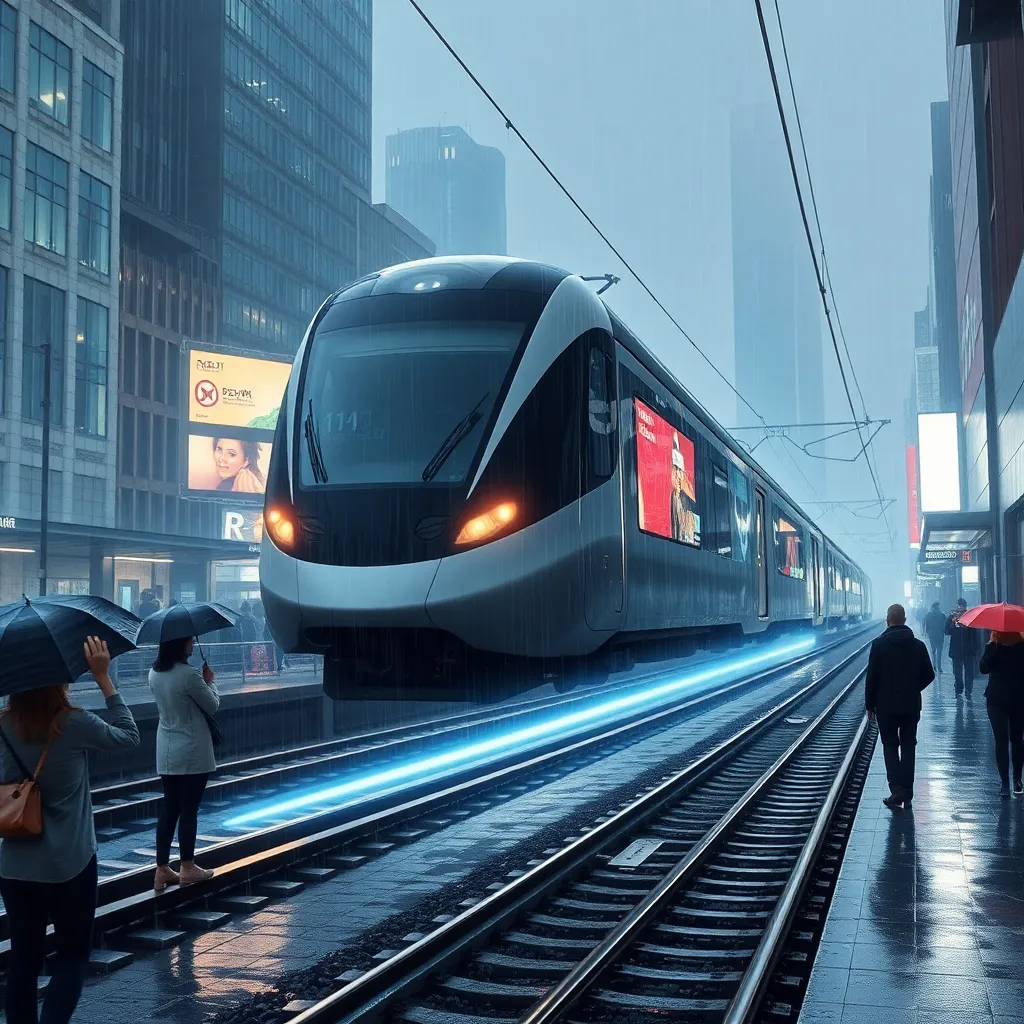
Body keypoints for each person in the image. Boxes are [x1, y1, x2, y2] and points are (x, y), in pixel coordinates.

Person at [0, 637, 140, 1024]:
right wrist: (104, 679)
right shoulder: (73, 723)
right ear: (57, 679)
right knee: (72, 957)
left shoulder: (2, 727)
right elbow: (129, 736)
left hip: (14, 866)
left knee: (23, 962)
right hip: (71, 863)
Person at [148, 636, 219, 889]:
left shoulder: (154, 674)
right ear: (180, 645)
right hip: (192, 750)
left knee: (170, 807)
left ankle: (162, 869)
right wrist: (211, 682)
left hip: (166, 749)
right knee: (189, 808)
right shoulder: (190, 675)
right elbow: (212, 706)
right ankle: (188, 866)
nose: (192, 644)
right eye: (189, 641)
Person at [865, 603, 935, 811]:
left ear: (888, 620)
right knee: (908, 745)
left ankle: (896, 790)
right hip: (910, 705)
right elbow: (929, 675)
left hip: (885, 707)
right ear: (905, 620)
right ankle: (908, 791)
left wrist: (870, 705)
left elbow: (872, 678)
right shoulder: (918, 646)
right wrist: (914, 688)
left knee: (889, 745)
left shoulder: (878, 645)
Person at [979, 630, 1024, 797]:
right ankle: (1017, 781)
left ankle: (1005, 783)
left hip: (996, 698)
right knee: (1017, 739)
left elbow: (983, 668)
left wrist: (990, 647)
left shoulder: (994, 647)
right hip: (1019, 698)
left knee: (1001, 740)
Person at [945, 599, 979, 697]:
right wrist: (953, 623)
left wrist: (975, 648)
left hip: (968, 650)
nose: (961, 609)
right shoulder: (951, 617)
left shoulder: (970, 618)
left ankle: (968, 690)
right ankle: (959, 689)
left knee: (969, 672)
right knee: (957, 672)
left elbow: (974, 634)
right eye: (960, 607)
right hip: (956, 650)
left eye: (963, 607)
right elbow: (946, 632)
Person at [925, 601, 946, 674]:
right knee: (939, 651)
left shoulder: (928, 615)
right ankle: (939, 667)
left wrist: (928, 632)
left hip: (932, 635)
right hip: (940, 635)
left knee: (933, 651)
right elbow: (944, 626)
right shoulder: (942, 615)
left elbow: (926, 626)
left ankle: (934, 666)